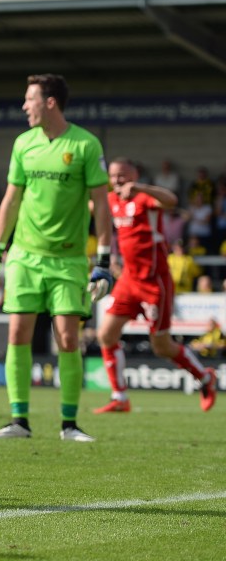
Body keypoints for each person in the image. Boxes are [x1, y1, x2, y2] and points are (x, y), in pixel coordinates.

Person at [0, 74, 113, 442]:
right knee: (17, 333)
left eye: (30, 99)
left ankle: (69, 425)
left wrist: (103, 258)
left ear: (50, 102)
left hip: (69, 260)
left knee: (68, 339)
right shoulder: (23, 143)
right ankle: (18, 421)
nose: (25, 106)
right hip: (24, 256)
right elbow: (11, 199)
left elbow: (102, 204)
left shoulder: (85, 144)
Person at [93, 158, 217, 414]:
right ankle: (120, 397)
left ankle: (205, 378)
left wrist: (140, 187)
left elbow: (170, 200)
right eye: (114, 176)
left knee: (161, 346)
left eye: (123, 175)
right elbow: (90, 204)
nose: (118, 180)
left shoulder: (143, 198)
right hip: (128, 279)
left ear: (135, 175)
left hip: (154, 281)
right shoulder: (111, 200)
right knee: (105, 334)